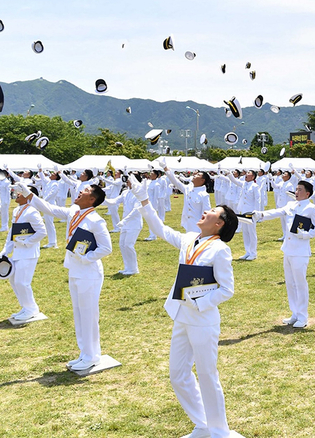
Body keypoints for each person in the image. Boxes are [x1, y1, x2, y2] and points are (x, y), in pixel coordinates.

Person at [128, 175, 241, 438]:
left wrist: (201, 301)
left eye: (212, 211)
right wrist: (143, 199)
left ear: (220, 223)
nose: (205, 211)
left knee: (206, 375)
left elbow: (227, 289)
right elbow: (161, 230)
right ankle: (203, 424)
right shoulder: (190, 238)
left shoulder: (220, 250)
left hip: (202, 319)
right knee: (178, 374)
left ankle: (219, 431)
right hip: (181, 315)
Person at [20, 179, 112, 372]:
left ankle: (93, 355)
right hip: (74, 269)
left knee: (88, 315)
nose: (79, 192)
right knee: (79, 314)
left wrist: (86, 257)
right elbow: (49, 208)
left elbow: (106, 248)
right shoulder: (73, 211)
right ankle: (84, 352)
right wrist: (28, 194)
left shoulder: (96, 220)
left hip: (89, 272)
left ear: (92, 199)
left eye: (85, 190)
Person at [253, 180, 315, 328]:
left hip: (300, 251)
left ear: (307, 193)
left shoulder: (311, 208)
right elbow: (276, 212)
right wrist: (260, 214)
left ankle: (303, 316)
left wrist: (305, 235)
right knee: (290, 284)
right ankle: (294, 313)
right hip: (288, 249)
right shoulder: (290, 205)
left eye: (299, 190)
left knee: (300, 284)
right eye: (296, 189)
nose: (296, 192)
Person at [1, 185, 47, 321]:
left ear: (28, 195)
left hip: (28, 253)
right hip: (17, 252)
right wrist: (5, 250)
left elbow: (42, 231)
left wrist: (27, 242)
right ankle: (25, 307)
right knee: (14, 281)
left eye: (20, 192)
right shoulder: (17, 210)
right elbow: (12, 233)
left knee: (22, 282)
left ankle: (32, 309)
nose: (17, 194)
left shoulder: (32, 211)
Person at [103, 174, 143, 275]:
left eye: (129, 180)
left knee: (129, 245)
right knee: (122, 245)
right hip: (125, 224)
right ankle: (127, 267)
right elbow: (114, 201)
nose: (127, 182)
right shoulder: (125, 192)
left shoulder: (139, 193)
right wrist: (100, 198)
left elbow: (136, 210)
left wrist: (125, 221)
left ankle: (134, 269)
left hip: (134, 224)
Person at [162, 161, 212, 233]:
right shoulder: (188, 189)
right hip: (188, 224)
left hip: (198, 226)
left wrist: (205, 227)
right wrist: (165, 168)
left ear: (202, 180)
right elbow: (175, 181)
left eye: (198, 175)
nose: (194, 175)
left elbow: (206, 213)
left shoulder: (204, 195)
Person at [229, 170, 260, 260]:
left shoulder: (255, 186)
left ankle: (253, 253)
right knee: (245, 232)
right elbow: (235, 181)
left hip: (251, 212)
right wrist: (229, 174)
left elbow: (257, 200)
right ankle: (248, 252)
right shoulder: (244, 184)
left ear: (253, 177)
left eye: (248, 174)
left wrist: (256, 212)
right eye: (246, 173)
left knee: (251, 233)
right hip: (243, 210)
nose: (246, 175)